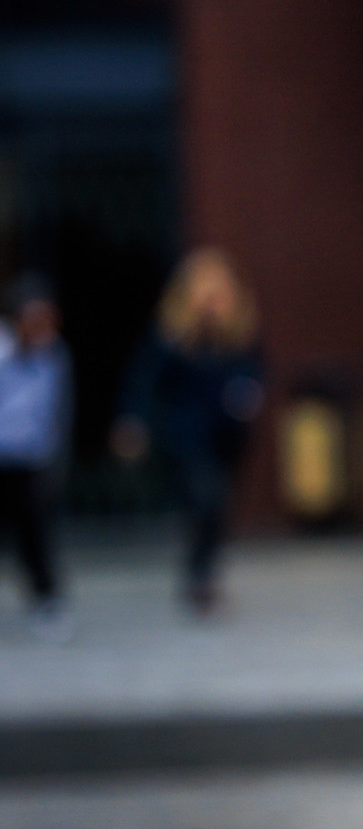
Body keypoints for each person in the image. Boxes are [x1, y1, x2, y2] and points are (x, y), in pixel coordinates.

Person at [112, 249, 264, 611]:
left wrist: (248, 395)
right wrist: (133, 420)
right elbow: (144, 379)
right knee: (203, 499)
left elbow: (255, 373)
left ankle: (204, 571)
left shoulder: (239, 334)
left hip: (227, 437)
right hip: (184, 436)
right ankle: (199, 575)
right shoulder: (171, 335)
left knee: (217, 505)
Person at [0, 273, 74, 637]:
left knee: (35, 532)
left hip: (32, 457)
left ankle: (47, 602)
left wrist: (55, 454)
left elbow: (59, 407)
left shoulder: (55, 353)